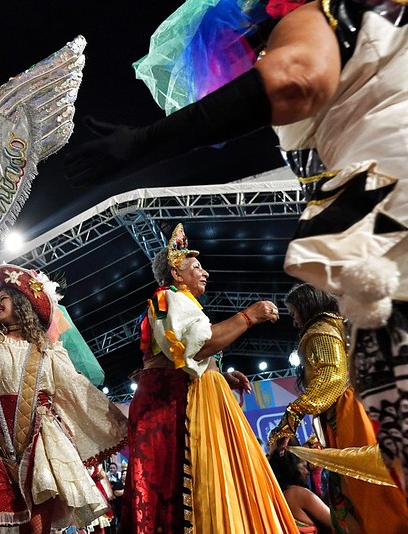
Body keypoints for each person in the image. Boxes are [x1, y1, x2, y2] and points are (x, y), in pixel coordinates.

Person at [63, 0, 408, 492]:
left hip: (394, 224)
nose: (260, 63)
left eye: (259, 52)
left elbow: (296, 77)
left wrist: (144, 142)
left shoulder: (319, 13)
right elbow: (192, 351)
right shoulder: (165, 303)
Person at [122, 223, 296, 533]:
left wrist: (221, 376)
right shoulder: (168, 298)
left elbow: (187, 357)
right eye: (196, 267)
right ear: (176, 274)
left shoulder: (177, 302)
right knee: (194, 486)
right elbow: (199, 346)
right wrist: (248, 316)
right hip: (172, 408)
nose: (205, 273)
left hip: (184, 399)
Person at [0, 265, 127, 533]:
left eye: (3, 298)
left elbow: (79, 392)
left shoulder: (49, 352)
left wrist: (121, 423)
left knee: (35, 530)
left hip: (38, 448)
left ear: (22, 303)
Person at [269, 283, 408, 532]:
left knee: (366, 485)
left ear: (305, 306)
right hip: (349, 411)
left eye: (293, 313)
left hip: (349, 414)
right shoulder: (334, 327)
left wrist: (291, 417)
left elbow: (331, 377)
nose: (294, 320)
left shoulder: (320, 330)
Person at [269, 451, 332, 534]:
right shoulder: (297, 494)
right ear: (292, 468)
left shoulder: (278, 497)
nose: (308, 473)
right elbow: (338, 523)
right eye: (304, 466)